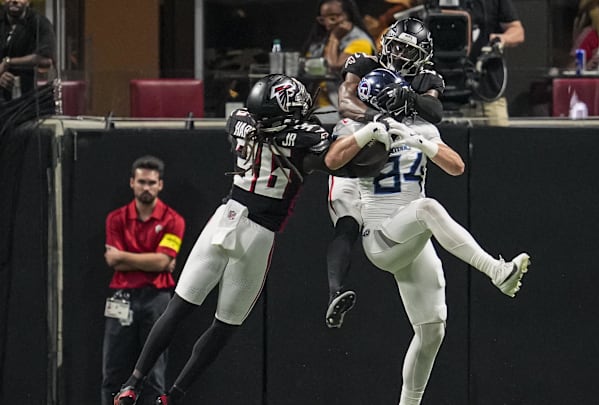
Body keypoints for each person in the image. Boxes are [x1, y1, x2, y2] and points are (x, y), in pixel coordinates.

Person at [113, 74, 391, 405]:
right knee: (224, 325)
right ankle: (172, 396)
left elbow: (247, 125)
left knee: (178, 308)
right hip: (258, 234)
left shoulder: (240, 120)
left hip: (224, 219)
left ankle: (132, 382)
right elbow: (346, 166)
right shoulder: (302, 141)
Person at [324, 67, 531, 405]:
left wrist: (419, 141)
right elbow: (332, 161)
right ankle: (496, 271)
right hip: (380, 236)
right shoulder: (355, 127)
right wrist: (367, 135)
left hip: (412, 238)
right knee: (427, 208)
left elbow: (457, 166)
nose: (407, 101)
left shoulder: (422, 126)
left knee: (432, 330)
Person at [324, 17, 446, 328]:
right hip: (356, 144)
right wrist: (374, 116)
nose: (400, 56)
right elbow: (345, 101)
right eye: (396, 47)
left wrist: (411, 98)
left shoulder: (425, 78)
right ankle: (334, 293)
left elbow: (435, 112)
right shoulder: (363, 63)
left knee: (399, 220)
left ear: (422, 57)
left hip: (393, 155)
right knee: (348, 219)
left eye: (409, 52)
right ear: (385, 43)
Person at [102, 156, 186, 405]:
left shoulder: (173, 220)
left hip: (157, 300)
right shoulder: (116, 219)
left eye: (151, 182)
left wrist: (124, 258)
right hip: (121, 298)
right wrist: (154, 260)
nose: (146, 187)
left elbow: (163, 262)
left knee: (153, 374)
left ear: (160, 185)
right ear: (132, 183)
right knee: (113, 371)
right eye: (141, 182)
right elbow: (112, 261)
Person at [460, 0, 525, 126]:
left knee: (498, 142)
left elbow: (517, 31)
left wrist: (502, 39)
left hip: (489, 94)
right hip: (447, 98)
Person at [302, 0, 375, 108]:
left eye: (333, 17)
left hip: (345, 105)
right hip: (317, 103)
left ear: (348, 16)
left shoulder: (360, 41)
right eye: (323, 19)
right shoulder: (321, 40)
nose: (328, 23)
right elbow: (306, 64)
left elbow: (335, 66)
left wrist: (334, 38)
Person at [0, 0, 55, 101]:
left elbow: (46, 60)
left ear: (28, 1)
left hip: (29, 98)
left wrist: (8, 62)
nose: (14, 1)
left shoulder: (39, 23)